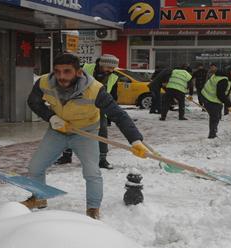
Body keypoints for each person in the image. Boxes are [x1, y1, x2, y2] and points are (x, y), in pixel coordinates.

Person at [23, 53, 148, 220]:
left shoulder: (95, 89)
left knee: (91, 172)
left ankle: (92, 209)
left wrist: (135, 140)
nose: (61, 76)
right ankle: (39, 198)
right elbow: (34, 102)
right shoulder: (44, 82)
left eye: (67, 71)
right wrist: (51, 118)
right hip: (57, 130)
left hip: (86, 131)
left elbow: (119, 115)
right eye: (57, 71)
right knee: (35, 167)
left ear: (79, 72)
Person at [56, 54, 120, 169]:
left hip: (98, 107)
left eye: (113, 68)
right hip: (77, 104)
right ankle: (66, 155)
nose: (111, 71)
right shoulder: (84, 69)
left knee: (102, 131)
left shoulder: (113, 77)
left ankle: (102, 159)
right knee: (69, 129)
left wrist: (111, 112)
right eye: (109, 68)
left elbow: (113, 96)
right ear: (102, 64)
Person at [198, 63, 231, 139]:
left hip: (212, 98)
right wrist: (229, 104)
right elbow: (220, 95)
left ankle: (213, 133)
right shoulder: (223, 79)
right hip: (209, 98)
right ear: (230, 71)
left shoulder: (228, 76)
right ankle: (212, 135)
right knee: (215, 116)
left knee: (217, 115)